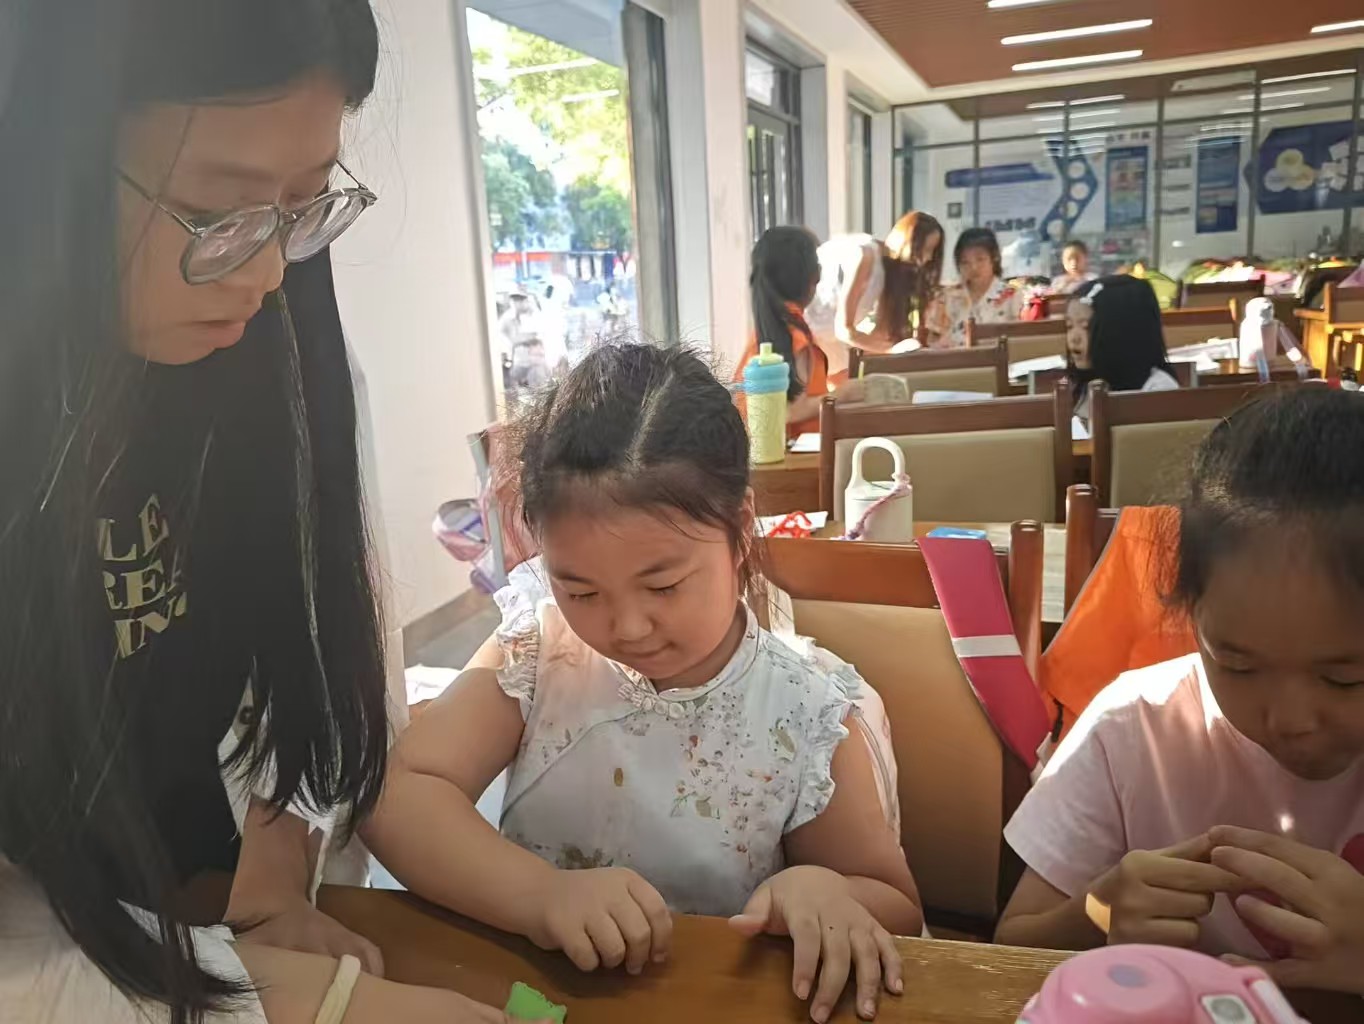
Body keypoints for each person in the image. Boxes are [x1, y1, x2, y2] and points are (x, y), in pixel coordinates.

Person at [0, 1, 522, 1021]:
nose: (268, 269)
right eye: (214, 209)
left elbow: (306, 654)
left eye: (304, 201)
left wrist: (276, 872)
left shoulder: (285, 364)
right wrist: (278, 1001)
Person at [365, 343, 923, 1024]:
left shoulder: (806, 714)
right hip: (541, 992)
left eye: (663, 585)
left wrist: (822, 891)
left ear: (739, 529)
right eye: (580, 590)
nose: (627, 627)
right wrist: (541, 896)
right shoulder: (541, 653)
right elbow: (397, 796)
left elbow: (896, 906)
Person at [995, 388, 1364, 995]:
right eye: (1238, 666)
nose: (1291, 719)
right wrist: (1097, 915)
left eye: (1345, 678)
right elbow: (1007, 953)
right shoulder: (1133, 728)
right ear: (1190, 614)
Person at [735, 226, 864, 436]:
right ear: (812, 278)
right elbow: (788, 410)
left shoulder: (769, 332)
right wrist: (844, 394)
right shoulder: (793, 338)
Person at [805, 212, 944, 379]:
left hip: (826, 339)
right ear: (909, 241)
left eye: (932, 251)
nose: (928, 258)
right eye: (926, 249)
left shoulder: (890, 272)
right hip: (803, 327)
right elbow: (844, 329)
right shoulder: (865, 255)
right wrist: (892, 350)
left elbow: (878, 335)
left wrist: (906, 349)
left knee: (844, 386)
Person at [1067, 275, 1178, 422]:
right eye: (1069, 326)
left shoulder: (1158, 390)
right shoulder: (1079, 386)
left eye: (1086, 327)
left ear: (1123, 332)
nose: (1073, 338)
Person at [925, 228, 1024, 349]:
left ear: (994, 258)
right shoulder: (946, 297)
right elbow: (932, 339)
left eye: (980, 259)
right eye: (965, 262)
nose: (974, 267)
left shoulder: (1012, 295)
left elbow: (1021, 340)